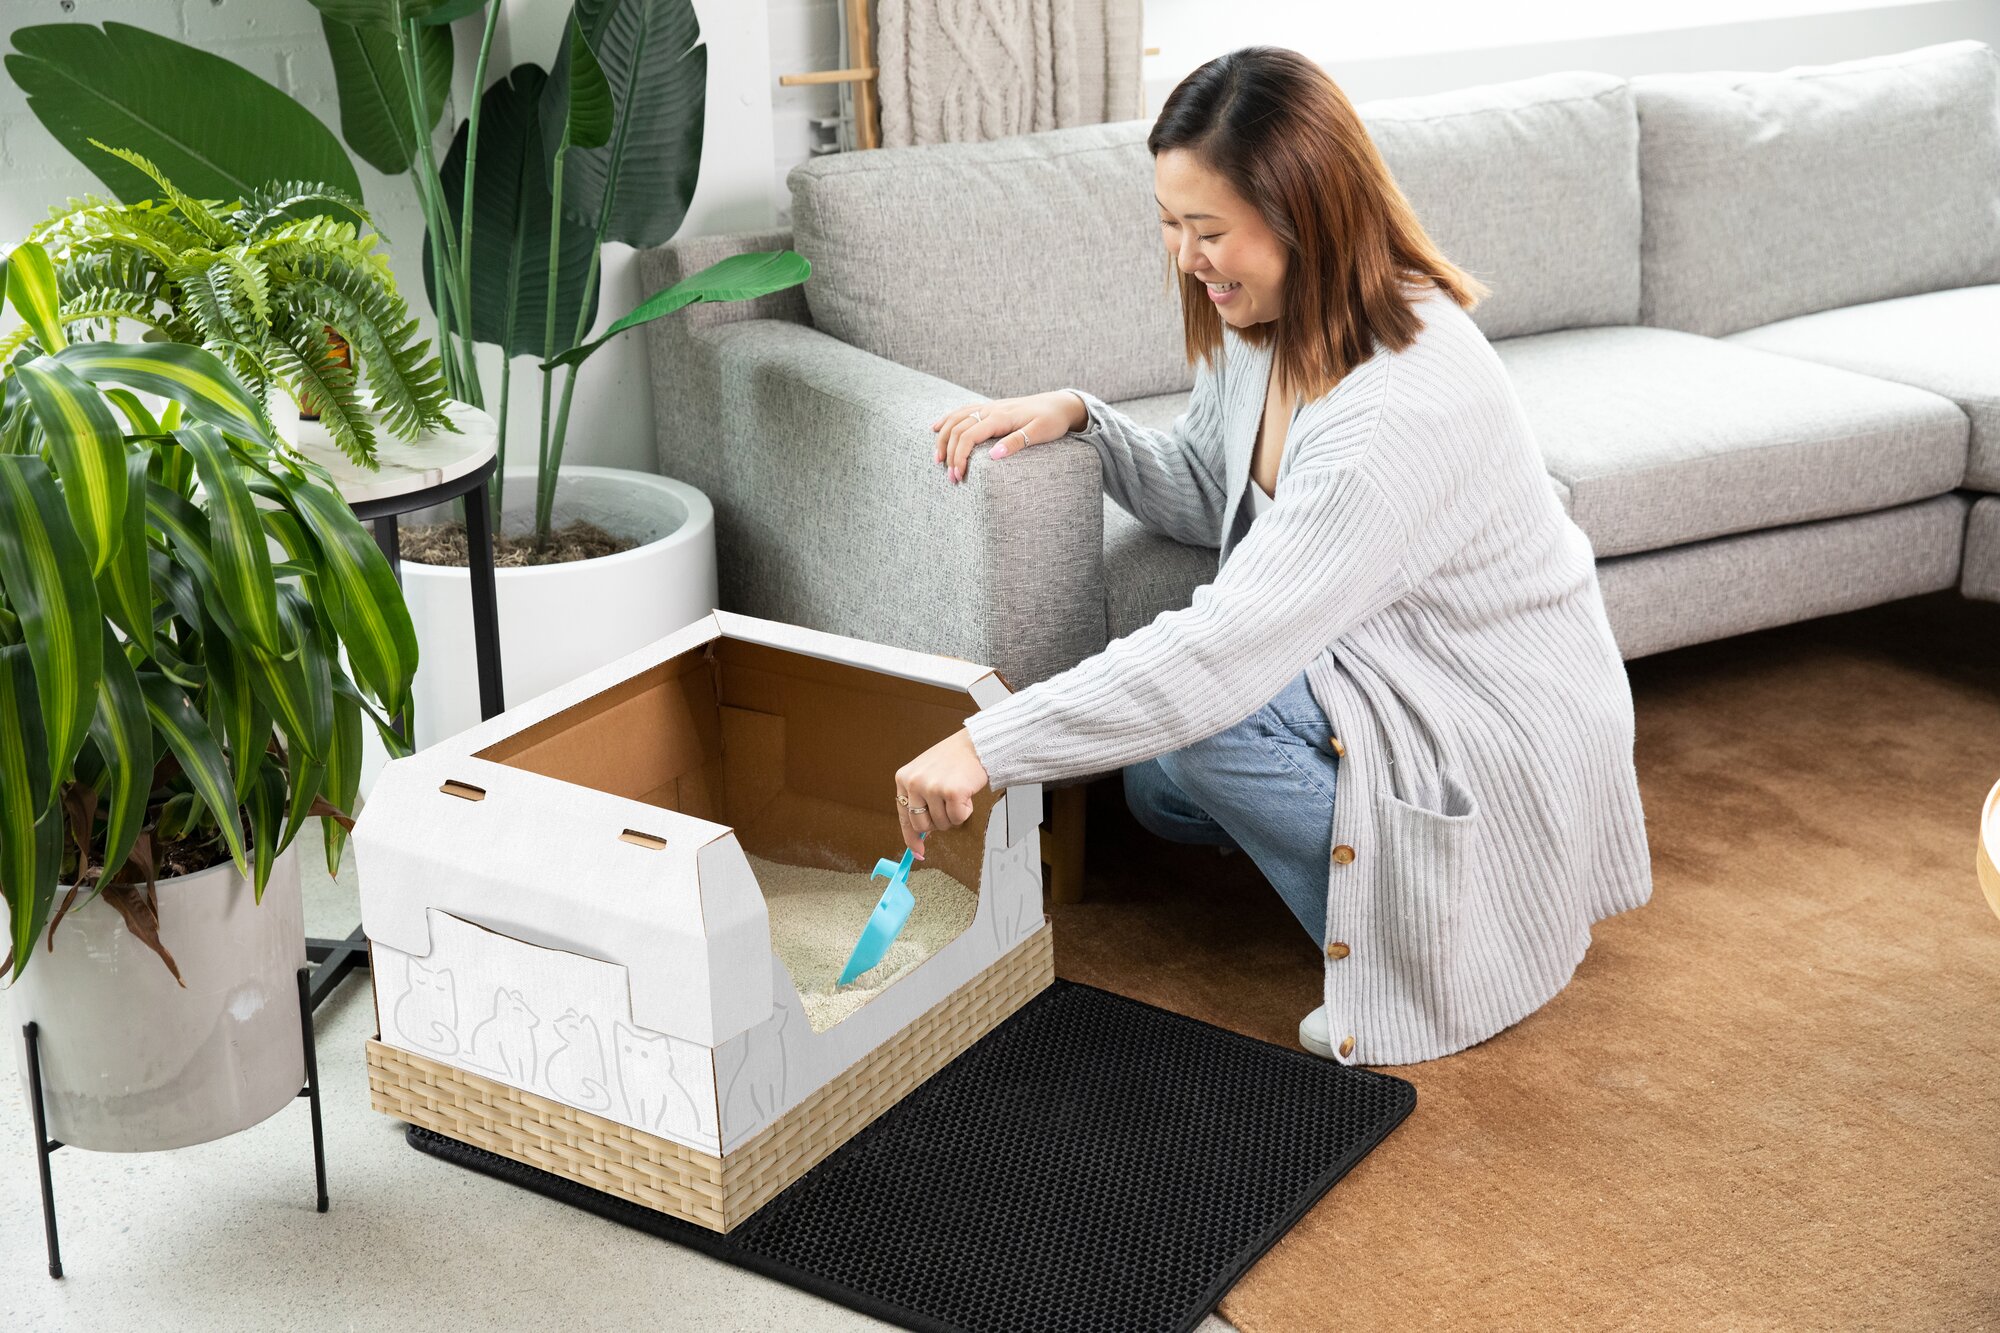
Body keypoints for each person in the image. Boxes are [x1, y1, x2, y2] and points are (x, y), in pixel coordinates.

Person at [892, 46, 1652, 1066]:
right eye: (1169, 224)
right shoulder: (1265, 323)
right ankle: (1364, 859)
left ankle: (1419, 949)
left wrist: (987, 744)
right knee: (1156, 784)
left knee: (1202, 731)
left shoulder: (1391, 404)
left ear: (1304, 215)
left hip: (1486, 705)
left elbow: (1225, 650)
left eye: (1207, 231)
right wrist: (1086, 423)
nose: (1183, 257)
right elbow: (1215, 491)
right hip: (1373, 657)